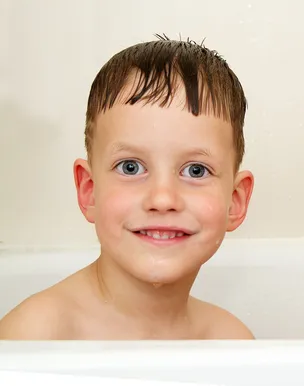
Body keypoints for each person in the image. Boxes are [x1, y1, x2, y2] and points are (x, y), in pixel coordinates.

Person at [0, 35, 255, 339]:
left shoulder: (229, 340)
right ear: (89, 191)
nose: (162, 199)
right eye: (130, 167)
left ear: (235, 202)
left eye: (195, 170)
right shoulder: (36, 335)